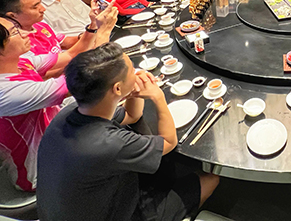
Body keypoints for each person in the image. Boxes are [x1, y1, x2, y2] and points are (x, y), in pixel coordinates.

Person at [37, 43, 220, 220]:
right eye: (132, 70)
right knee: (210, 180)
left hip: (71, 208)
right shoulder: (108, 143)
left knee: (158, 169)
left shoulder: (73, 111)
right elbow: (168, 142)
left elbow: (132, 115)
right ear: (117, 88)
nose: (136, 72)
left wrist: (132, 90)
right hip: (118, 213)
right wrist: (158, 97)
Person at [0, 7, 115, 192]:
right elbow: (86, 78)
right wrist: (104, 32)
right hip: (45, 169)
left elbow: (70, 54)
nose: (24, 33)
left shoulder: (21, 62)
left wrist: (93, 26)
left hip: (61, 136)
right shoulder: (7, 91)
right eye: (14, 32)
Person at [0, 0, 115, 63]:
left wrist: (93, 25)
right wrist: (103, 30)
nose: (43, 9)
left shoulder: (39, 25)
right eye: (35, 7)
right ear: (12, 15)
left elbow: (66, 44)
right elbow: (50, 72)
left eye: (40, 3)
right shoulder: (14, 45)